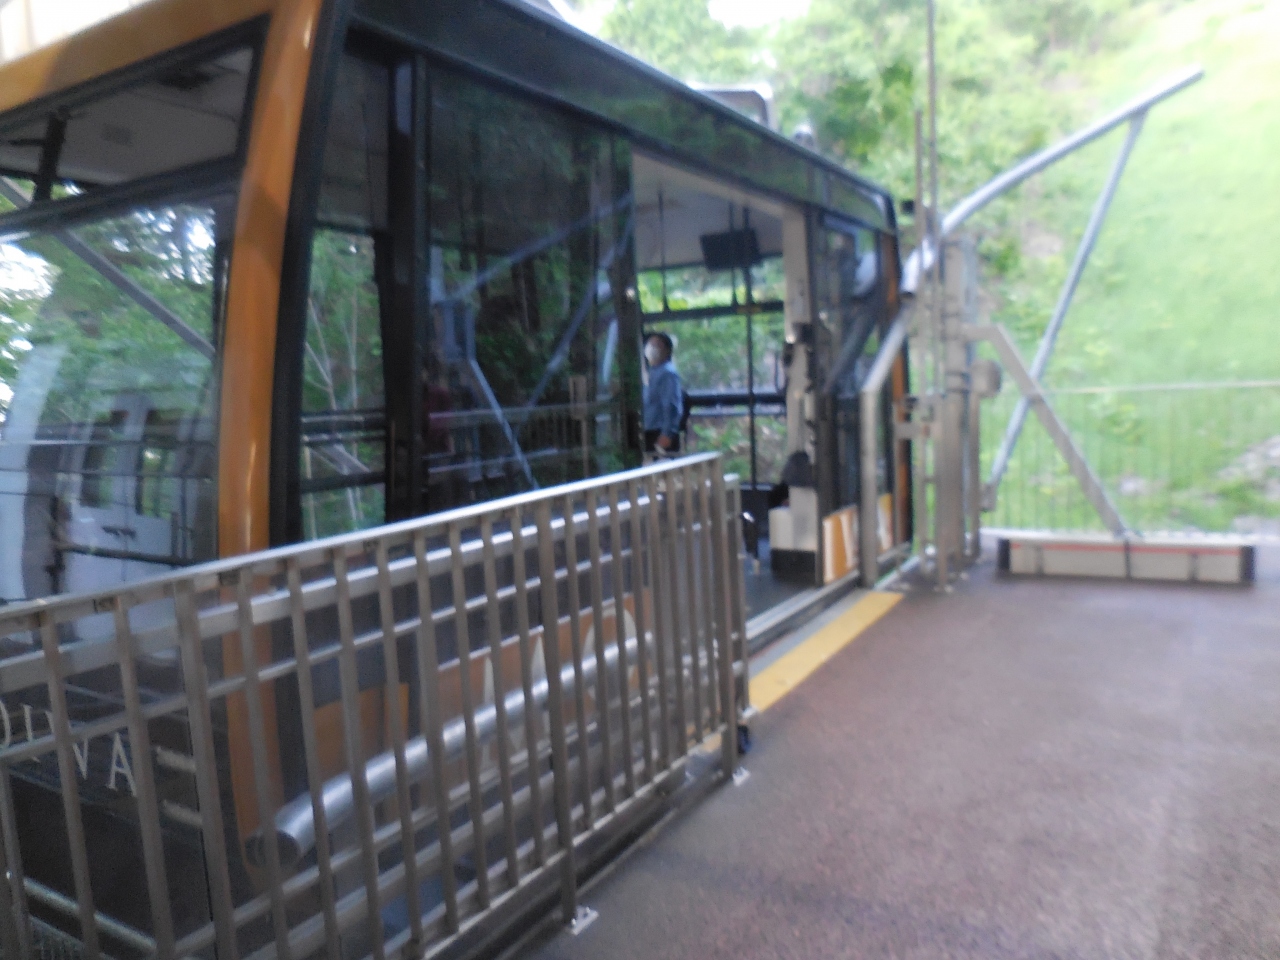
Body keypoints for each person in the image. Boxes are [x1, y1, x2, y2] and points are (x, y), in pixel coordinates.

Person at [643, 332, 683, 456]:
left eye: (657, 345)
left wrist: (667, 433)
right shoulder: (652, 372)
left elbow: (671, 405)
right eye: (650, 345)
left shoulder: (667, 373)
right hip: (650, 430)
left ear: (667, 350)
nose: (652, 349)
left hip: (660, 433)